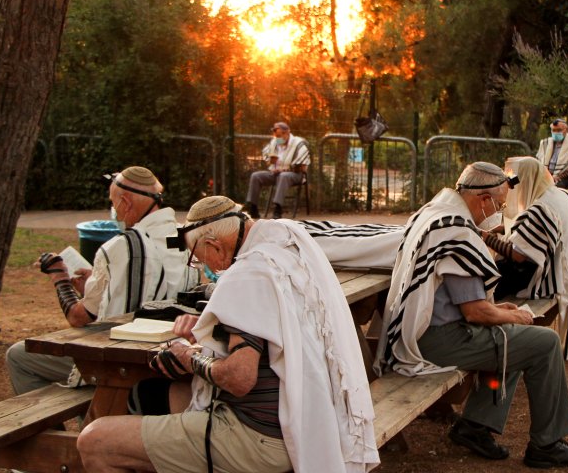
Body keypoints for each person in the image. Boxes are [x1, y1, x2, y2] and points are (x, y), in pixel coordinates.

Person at [77, 196, 379, 473]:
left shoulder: (247, 274)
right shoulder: (285, 249)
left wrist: (191, 358)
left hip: (262, 436)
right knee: (154, 396)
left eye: (197, 255)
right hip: (310, 421)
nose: (201, 264)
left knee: (95, 441)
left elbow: (239, 378)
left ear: (216, 245)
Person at [373, 162, 568, 469]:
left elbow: (462, 300)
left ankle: (474, 426)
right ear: (484, 198)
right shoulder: (458, 231)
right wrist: (512, 317)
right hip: (437, 340)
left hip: (421, 332)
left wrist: (501, 312)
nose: (499, 211)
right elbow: (474, 311)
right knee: (543, 343)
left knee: (519, 343)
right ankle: (547, 444)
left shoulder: (437, 214)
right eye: (500, 203)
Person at [6, 166, 198, 394]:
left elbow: (78, 316)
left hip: (119, 360)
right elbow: (155, 281)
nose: (114, 210)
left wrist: (59, 276)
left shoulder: (120, 246)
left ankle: (71, 417)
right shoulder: (184, 237)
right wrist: (92, 284)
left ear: (125, 202)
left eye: (113, 202)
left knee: (18, 356)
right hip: (167, 355)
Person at [483, 156, 568, 362]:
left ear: (527, 180)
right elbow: (534, 233)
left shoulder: (541, 208)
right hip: (564, 273)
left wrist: (485, 238)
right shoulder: (562, 196)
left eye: (514, 182)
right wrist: (503, 229)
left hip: (543, 282)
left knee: (482, 281)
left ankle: (483, 343)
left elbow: (519, 254)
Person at [244, 122, 310, 219]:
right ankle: (253, 208)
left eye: (279, 136)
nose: (277, 138)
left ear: (287, 133)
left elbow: (303, 167)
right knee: (256, 176)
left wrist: (283, 170)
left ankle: (277, 209)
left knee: (283, 176)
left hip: (295, 174)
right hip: (276, 173)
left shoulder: (299, 143)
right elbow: (268, 159)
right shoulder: (275, 142)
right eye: (276, 136)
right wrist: (272, 164)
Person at [536, 118, 568, 191]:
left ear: (566, 130)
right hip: (546, 175)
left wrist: (558, 177)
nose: (556, 133)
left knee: (555, 189)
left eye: (559, 130)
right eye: (554, 130)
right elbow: (538, 161)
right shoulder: (545, 143)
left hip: (563, 178)